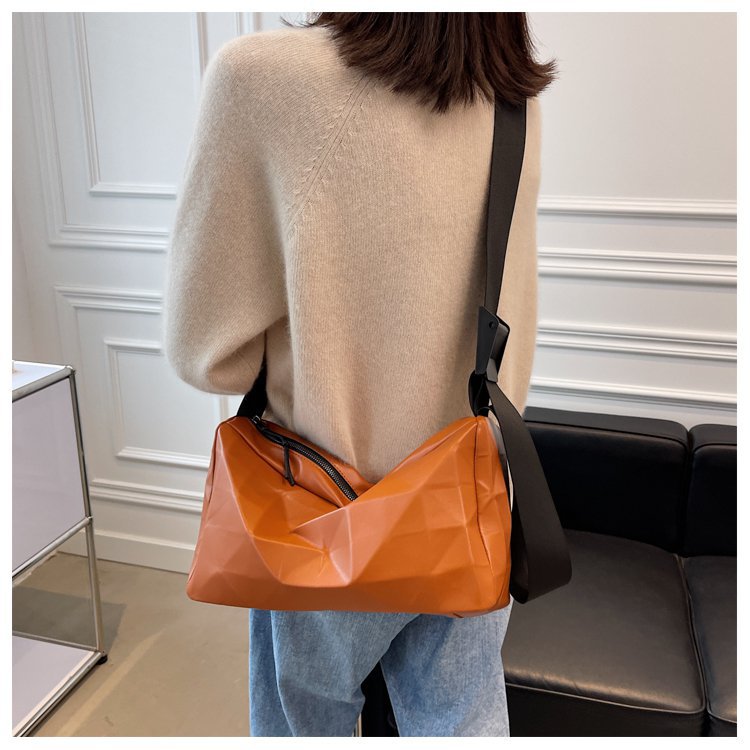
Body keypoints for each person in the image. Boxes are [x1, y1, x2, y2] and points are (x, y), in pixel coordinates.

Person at [163, 11, 555, 737]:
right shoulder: (512, 96)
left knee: (303, 726)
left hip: (319, 508)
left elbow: (205, 352)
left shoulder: (260, 79)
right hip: (465, 501)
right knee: (462, 723)